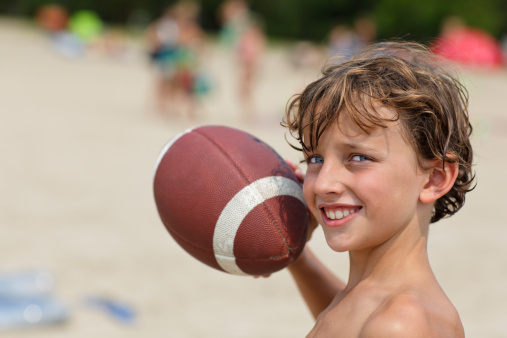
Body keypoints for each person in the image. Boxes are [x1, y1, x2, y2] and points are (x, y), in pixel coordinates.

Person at [282, 41, 475, 336]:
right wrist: (300, 261)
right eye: (315, 158)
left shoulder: (401, 324)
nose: (323, 183)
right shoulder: (373, 300)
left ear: (435, 178)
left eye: (359, 158)